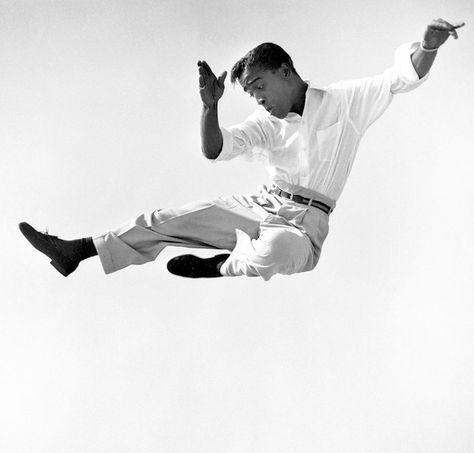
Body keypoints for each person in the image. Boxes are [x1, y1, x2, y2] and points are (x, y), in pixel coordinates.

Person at [19, 18, 464, 280]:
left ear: (286, 71)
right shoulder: (265, 123)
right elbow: (216, 150)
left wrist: (427, 46)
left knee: (278, 253)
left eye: (259, 87)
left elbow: (400, 79)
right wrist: (209, 108)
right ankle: (77, 250)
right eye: (249, 94)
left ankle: (219, 267)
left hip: (305, 227)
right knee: (167, 219)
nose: (258, 99)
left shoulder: (345, 102)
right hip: (262, 204)